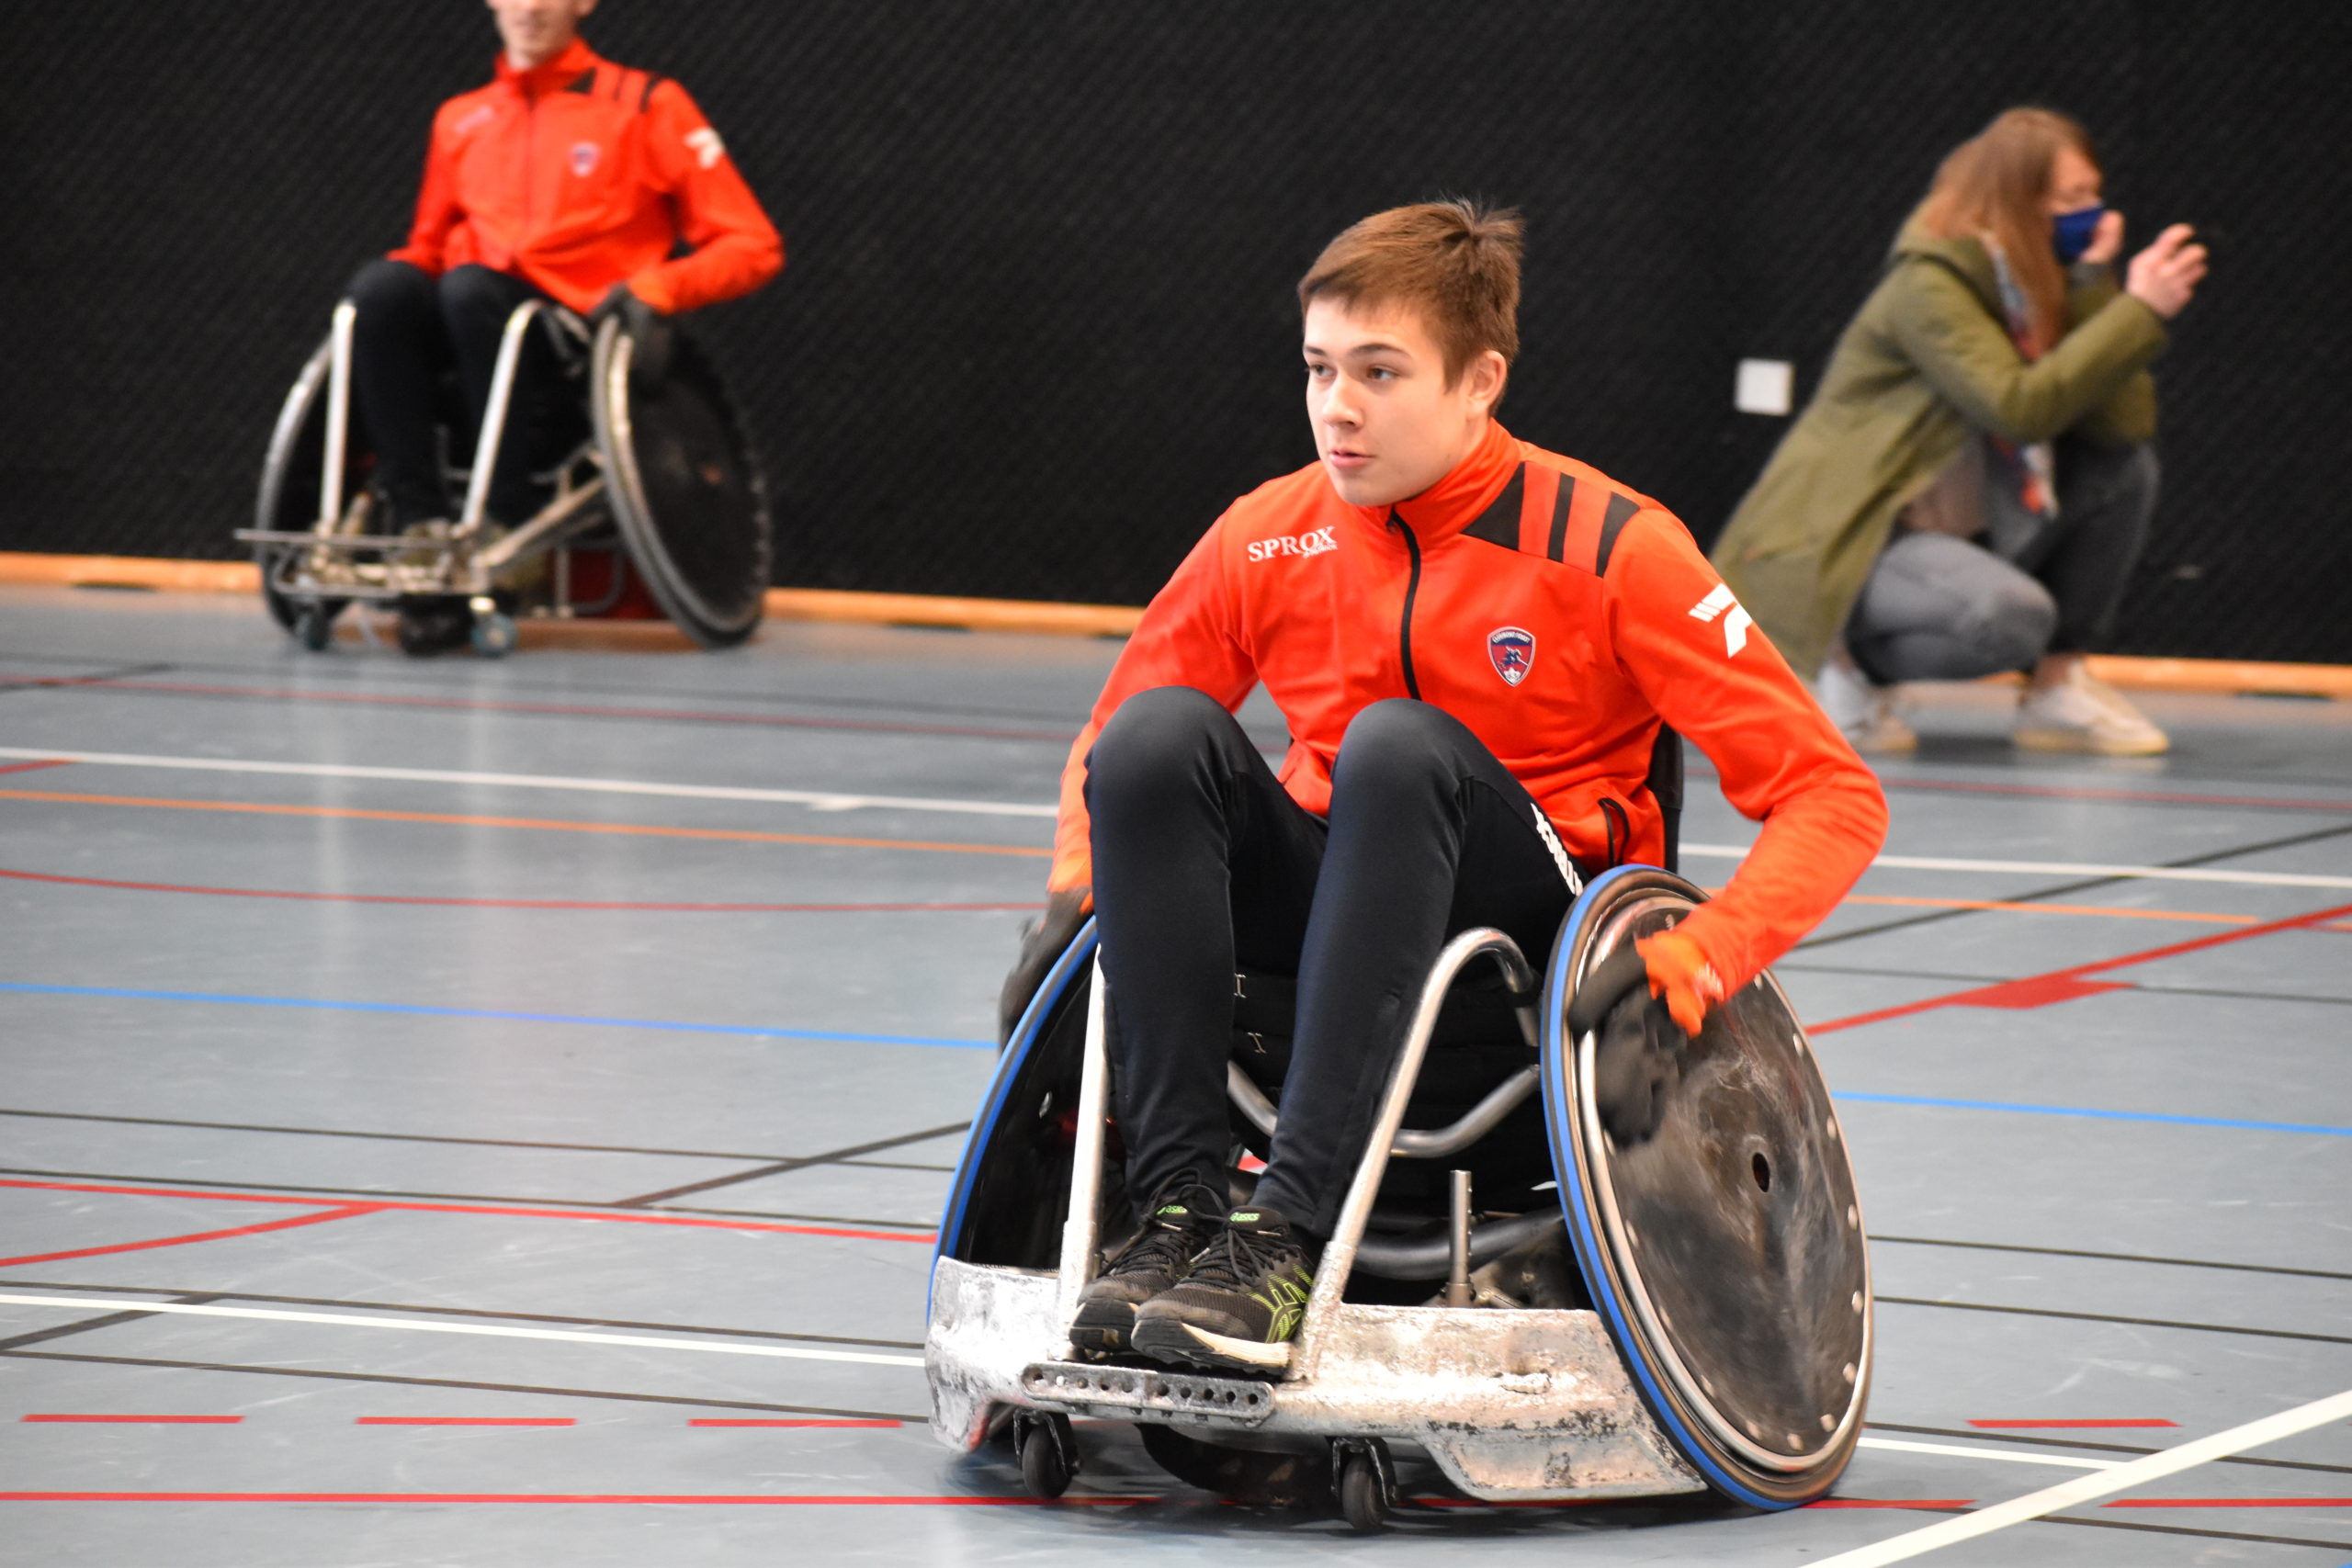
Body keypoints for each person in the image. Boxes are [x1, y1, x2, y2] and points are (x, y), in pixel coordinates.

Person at [998, 201, 1888, 1374]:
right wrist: (1078, 875)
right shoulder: (1266, 536)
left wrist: (1699, 958)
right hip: (1327, 942)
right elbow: (1110, 735)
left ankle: (1290, 1241)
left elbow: (1833, 795)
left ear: (1480, 381)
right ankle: (1179, 1221)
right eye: (1319, 368)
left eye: (1379, 371)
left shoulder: (1613, 545)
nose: (1337, 406)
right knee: (1158, 742)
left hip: (1515, 978)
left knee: (1397, 746)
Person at [1712, 108, 2208, 756]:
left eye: (2094, 192)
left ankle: (2058, 687)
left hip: (1959, 528)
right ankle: (1838, 667)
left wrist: (2093, 285)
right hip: (1853, 539)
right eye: (2072, 198)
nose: (2095, 212)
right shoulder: (1930, 283)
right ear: (2015, 200)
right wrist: (2138, 312)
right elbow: (2019, 408)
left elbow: (2124, 425)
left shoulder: (2035, 281)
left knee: (2123, 467)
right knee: (2010, 617)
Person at [344, 0, 782, 563]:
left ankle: (507, 515)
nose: (529, 8)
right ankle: (417, 523)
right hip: (469, 313)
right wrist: (393, 284)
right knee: (380, 290)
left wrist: (660, 288)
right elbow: (427, 245)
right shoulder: (461, 118)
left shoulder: (647, 105)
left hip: (571, 332)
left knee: (470, 290)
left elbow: (753, 246)